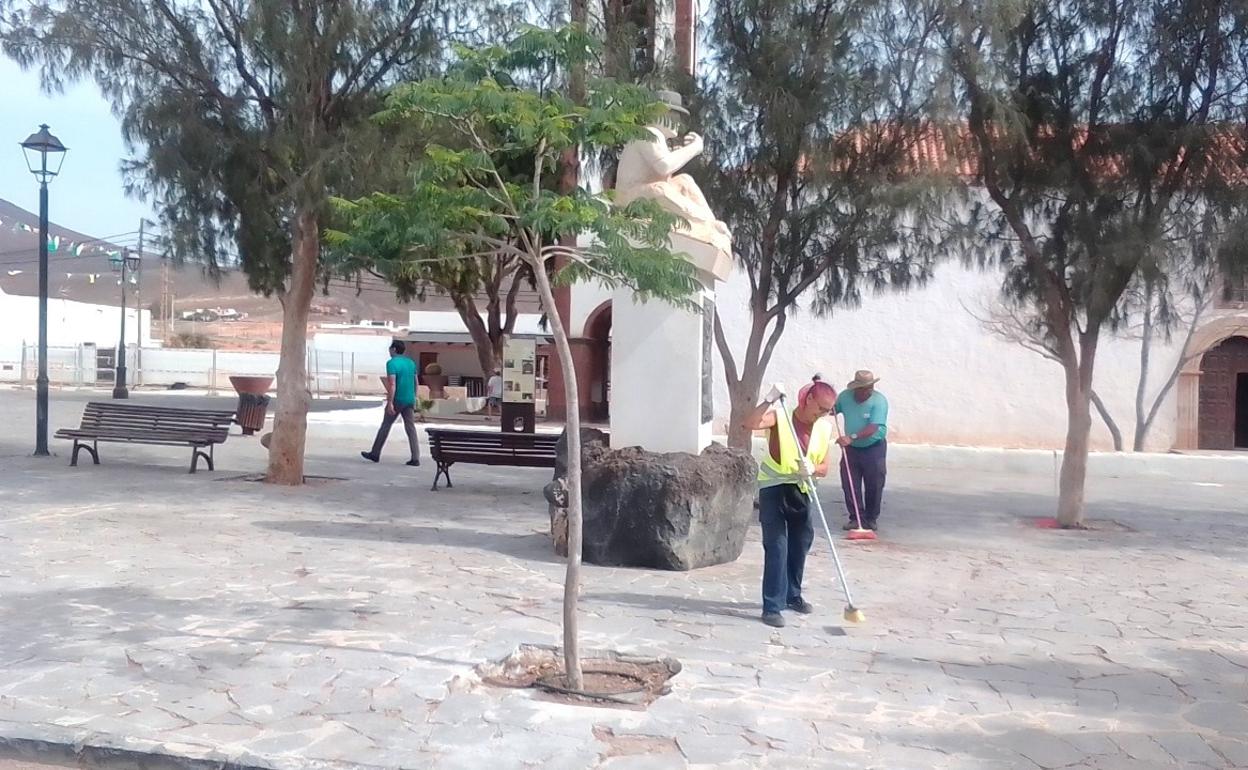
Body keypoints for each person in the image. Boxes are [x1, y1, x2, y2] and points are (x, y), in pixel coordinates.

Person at [743, 378, 837, 628]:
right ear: (808, 400)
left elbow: (825, 468)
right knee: (777, 547)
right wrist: (768, 400)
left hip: (803, 490)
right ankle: (772, 606)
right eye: (821, 409)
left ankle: (792, 595)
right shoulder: (780, 417)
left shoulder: (823, 429)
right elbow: (749, 423)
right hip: (774, 490)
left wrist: (813, 468)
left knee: (800, 544)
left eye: (828, 411)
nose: (824, 415)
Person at [834, 370, 888, 531]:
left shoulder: (879, 401)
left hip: (874, 447)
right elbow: (833, 409)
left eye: (870, 387)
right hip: (851, 448)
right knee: (850, 483)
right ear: (856, 388)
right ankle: (856, 518)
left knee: (875, 483)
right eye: (865, 387)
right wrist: (828, 403)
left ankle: (871, 519)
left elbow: (873, 427)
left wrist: (852, 437)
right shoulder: (845, 397)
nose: (868, 390)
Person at [361, 341, 421, 467]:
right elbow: (416, 382)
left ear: (394, 349)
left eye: (390, 348)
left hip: (397, 399)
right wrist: (414, 398)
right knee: (410, 428)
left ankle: (375, 453)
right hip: (409, 399)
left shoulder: (391, 363)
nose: (389, 351)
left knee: (386, 425)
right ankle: (415, 457)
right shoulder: (411, 363)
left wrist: (390, 403)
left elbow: (392, 384)